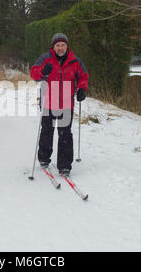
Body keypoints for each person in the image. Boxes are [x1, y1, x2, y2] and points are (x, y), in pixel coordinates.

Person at [30, 33, 89, 176]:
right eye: (58, 45)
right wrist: (42, 71)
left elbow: (83, 76)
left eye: (63, 45)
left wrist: (82, 89)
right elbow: (33, 73)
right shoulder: (45, 59)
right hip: (48, 101)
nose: (60, 48)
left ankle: (64, 165)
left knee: (65, 134)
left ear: (67, 46)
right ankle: (44, 158)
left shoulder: (75, 60)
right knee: (46, 131)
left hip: (66, 102)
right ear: (53, 46)